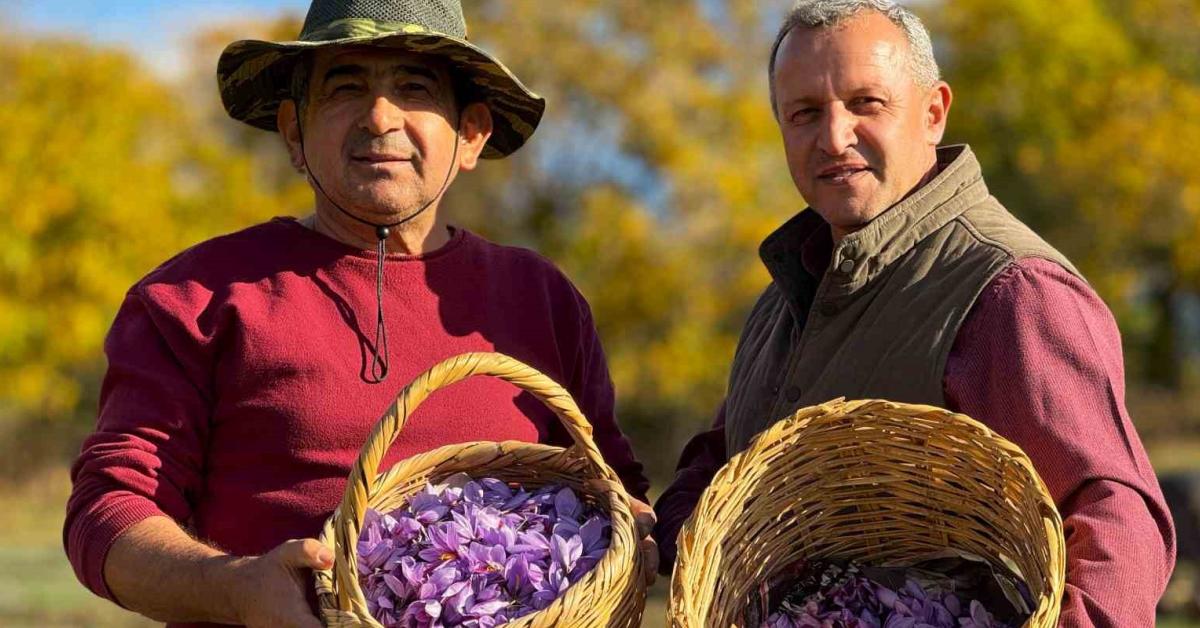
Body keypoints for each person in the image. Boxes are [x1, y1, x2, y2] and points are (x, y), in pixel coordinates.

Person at [64, 1, 654, 626]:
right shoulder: (197, 297)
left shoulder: (543, 298)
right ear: (294, 133)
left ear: (471, 134)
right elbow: (109, 509)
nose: (380, 117)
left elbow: (613, 488)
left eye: (414, 86)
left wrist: (636, 536)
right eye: (346, 87)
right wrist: (236, 586)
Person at [653, 1, 1175, 625]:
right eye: (804, 114)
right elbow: (730, 457)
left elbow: (1116, 518)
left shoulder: (1007, 289)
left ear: (932, 113)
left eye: (866, 103)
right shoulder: (790, 292)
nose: (833, 137)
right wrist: (652, 532)